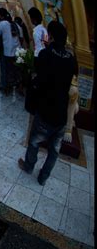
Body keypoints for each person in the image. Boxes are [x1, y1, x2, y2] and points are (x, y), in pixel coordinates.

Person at [18, 21, 78, 185]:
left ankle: (29, 166)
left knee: (35, 142)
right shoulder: (71, 59)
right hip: (61, 113)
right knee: (54, 151)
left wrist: (47, 47)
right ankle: (43, 177)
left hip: (45, 110)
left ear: (50, 36)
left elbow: (39, 71)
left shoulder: (45, 54)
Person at [0, 8, 22, 94]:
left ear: (0, 15)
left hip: (8, 52)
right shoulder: (15, 24)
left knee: (8, 71)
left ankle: (8, 89)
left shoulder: (2, 24)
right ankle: (19, 86)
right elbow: (21, 37)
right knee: (17, 70)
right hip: (17, 51)